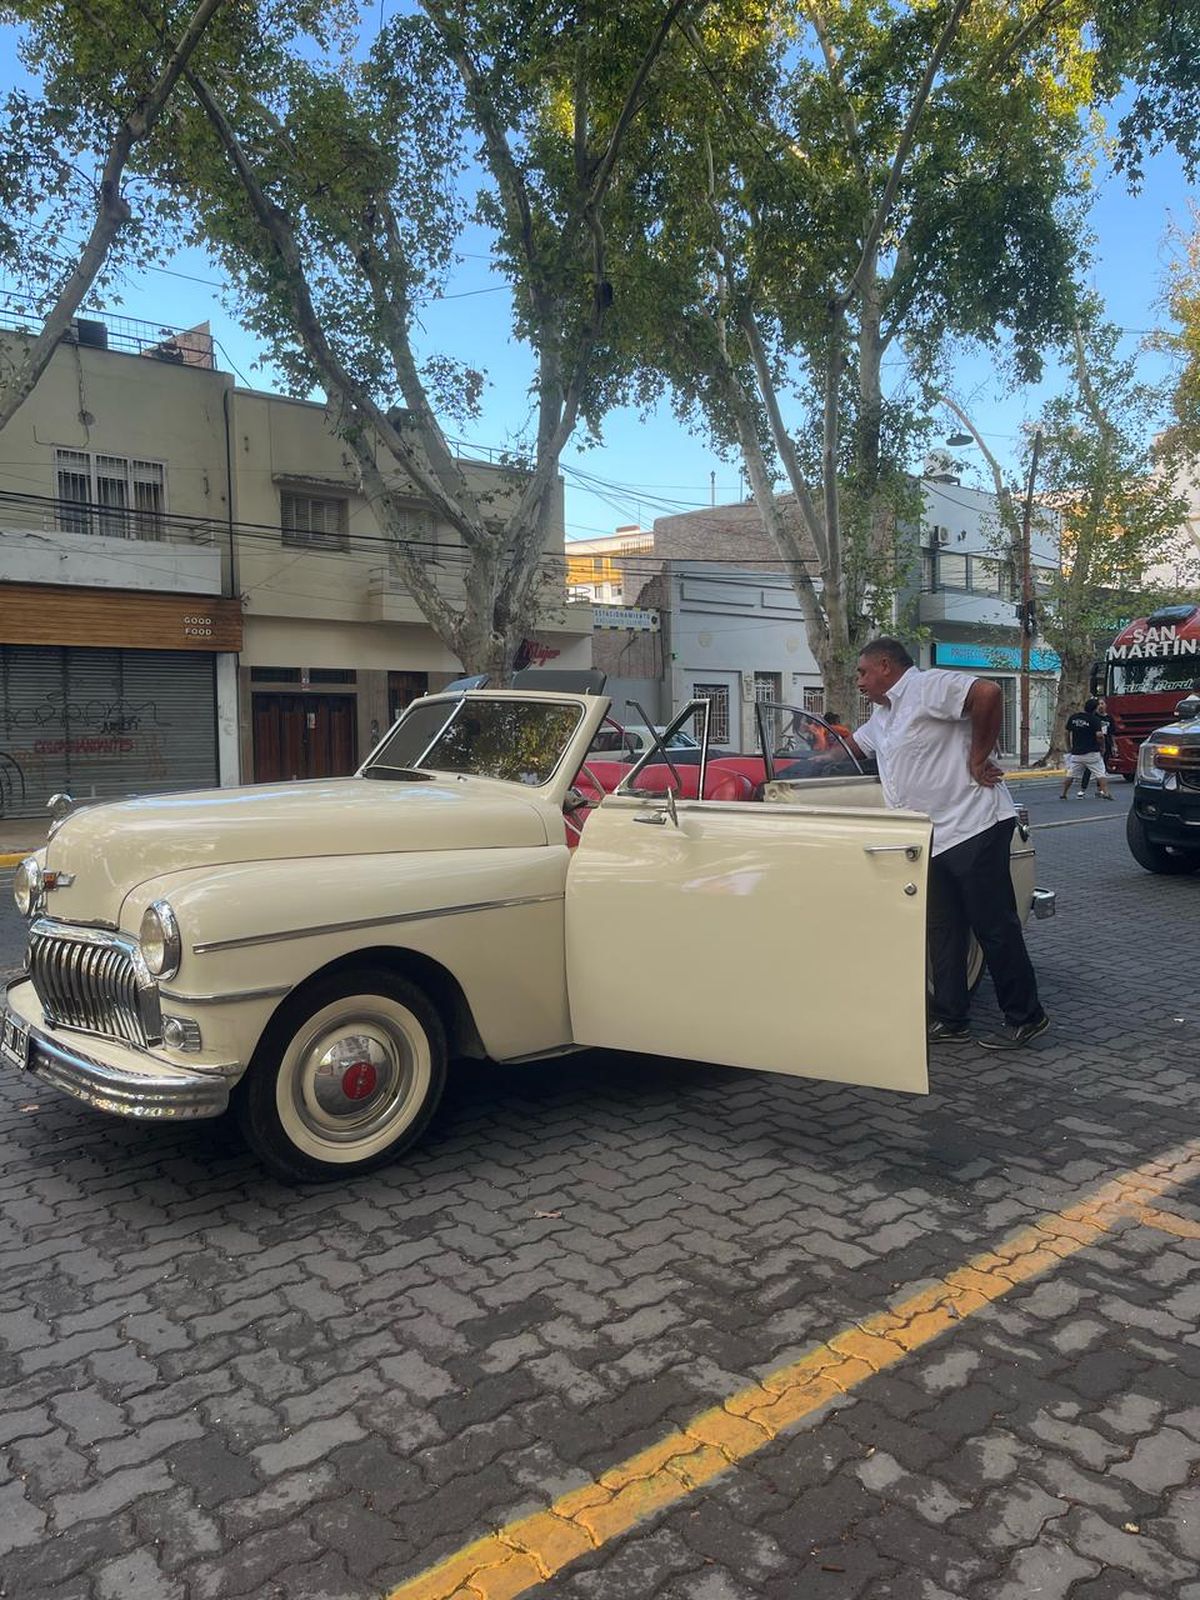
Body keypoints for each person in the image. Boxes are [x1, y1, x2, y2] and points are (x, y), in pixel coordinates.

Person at [835, 638, 1049, 1050]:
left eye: (862, 672)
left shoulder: (925, 686)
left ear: (885, 666)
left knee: (993, 926)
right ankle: (951, 1019)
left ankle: (1027, 1016)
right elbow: (850, 750)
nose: (858, 681)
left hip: (973, 824)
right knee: (942, 929)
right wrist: (810, 750)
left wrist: (977, 756)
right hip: (928, 835)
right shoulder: (882, 717)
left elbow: (987, 693)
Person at [1059, 698, 1113, 802]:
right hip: (1092, 753)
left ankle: (1064, 793)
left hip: (1077, 753)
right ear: (1095, 708)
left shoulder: (1074, 718)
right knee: (1100, 773)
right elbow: (1099, 736)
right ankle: (1106, 793)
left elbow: (1066, 733)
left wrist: (1069, 746)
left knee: (1071, 774)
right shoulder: (1094, 720)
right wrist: (1102, 747)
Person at [1076, 696, 1114, 794]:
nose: (1101, 706)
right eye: (1099, 704)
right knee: (1089, 768)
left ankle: (1100, 789)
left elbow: (1112, 733)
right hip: (1094, 744)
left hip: (1106, 743)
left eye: (1102, 704)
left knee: (1102, 768)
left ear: (1106, 705)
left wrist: (1114, 745)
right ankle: (1083, 789)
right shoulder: (1094, 718)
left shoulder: (1109, 718)